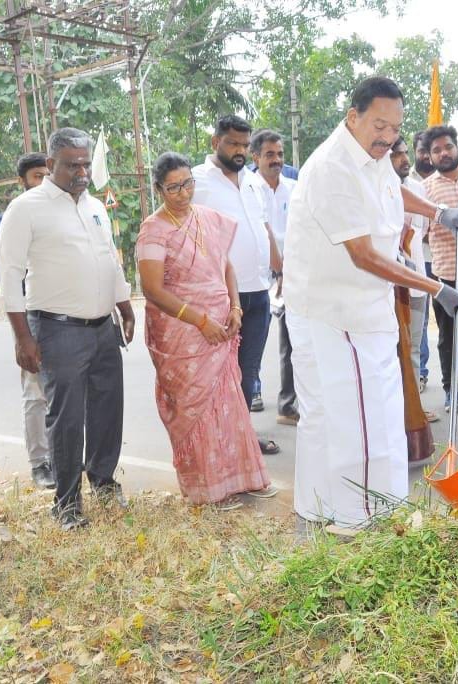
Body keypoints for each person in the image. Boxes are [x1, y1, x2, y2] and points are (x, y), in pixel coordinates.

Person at [283, 76, 458, 528]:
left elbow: (391, 189)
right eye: (379, 125)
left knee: (344, 414)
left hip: (355, 306)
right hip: (336, 312)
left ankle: (320, 506)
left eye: (395, 128)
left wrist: (437, 211)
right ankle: (363, 517)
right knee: (358, 420)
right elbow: (364, 255)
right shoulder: (333, 167)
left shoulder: (372, 155)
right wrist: (435, 288)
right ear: (354, 117)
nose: (388, 137)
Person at [0, 127, 135, 531]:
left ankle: (104, 482)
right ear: (51, 164)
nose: (81, 172)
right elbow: (9, 276)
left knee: (109, 408)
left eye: (85, 164)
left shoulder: (94, 206)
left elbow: (109, 259)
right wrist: (23, 337)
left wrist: (124, 304)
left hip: (101, 326)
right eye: (72, 164)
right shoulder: (27, 208)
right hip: (57, 330)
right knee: (67, 418)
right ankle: (67, 502)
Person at [136, 152, 275, 510]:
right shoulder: (154, 229)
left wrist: (235, 306)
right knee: (195, 409)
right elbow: (152, 289)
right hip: (183, 332)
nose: (183, 193)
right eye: (173, 188)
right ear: (159, 189)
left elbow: (225, 266)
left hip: (222, 326)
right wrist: (199, 320)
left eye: (187, 184)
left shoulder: (208, 218)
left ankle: (242, 479)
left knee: (229, 403)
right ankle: (207, 490)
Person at [192, 115, 282, 456]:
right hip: (220, 293)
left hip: (259, 291)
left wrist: (279, 271)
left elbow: (264, 228)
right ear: (215, 142)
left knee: (248, 370)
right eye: (234, 144)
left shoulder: (252, 181)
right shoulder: (196, 181)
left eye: (245, 145)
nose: (241, 151)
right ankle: (214, 443)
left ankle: (241, 434)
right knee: (217, 372)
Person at [0, 152, 54, 489]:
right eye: (37, 176)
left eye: (47, 174)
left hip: (62, 315)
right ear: (22, 181)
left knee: (62, 390)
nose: (43, 181)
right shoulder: (11, 217)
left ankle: (62, 456)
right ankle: (40, 463)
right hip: (29, 316)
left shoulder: (59, 211)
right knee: (35, 391)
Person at [421, 124, 458, 412]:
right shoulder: (425, 189)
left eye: (448, 147)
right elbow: (418, 233)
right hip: (445, 273)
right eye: (436, 150)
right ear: (429, 157)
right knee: (448, 336)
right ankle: (450, 389)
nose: (443, 153)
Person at [391, 136, 437, 459]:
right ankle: (397, 415)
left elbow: (422, 235)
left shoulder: (419, 191)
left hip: (417, 281)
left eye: (406, 154)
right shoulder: (375, 190)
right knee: (394, 353)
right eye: (398, 155)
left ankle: (413, 411)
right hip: (390, 286)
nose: (405, 159)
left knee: (414, 350)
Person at [250, 129, 299, 426]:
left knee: (292, 342)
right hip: (259, 274)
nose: (276, 160)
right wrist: (278, 269)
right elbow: (263, 229)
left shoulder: (293, 188)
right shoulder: (249, 188)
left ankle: (288, 404)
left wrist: (289, 271)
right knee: (254, 340)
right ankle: (253, 391)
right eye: (269, 154)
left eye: (280, 154)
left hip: (290, 273)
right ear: (256, 157)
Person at [410, 132, 438, 393]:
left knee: (416, 342)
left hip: (426, 269)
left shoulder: (420, 189)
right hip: (396, 275)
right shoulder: (391, 183)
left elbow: (425, 229)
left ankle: (414, 407)